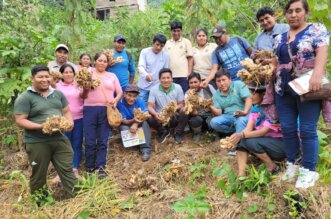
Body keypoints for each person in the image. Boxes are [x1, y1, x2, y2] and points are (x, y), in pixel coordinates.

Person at [273, 0, 329, 189]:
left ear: (306, 12)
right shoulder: (279, 37)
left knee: (307, 129)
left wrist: (317, 75)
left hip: (307, 86)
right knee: (288, 128)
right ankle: (293, 164)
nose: (293, 14)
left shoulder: (316, 29)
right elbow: (276, 61)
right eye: (289, 11)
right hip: (283, 88)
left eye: (298, 10)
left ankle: (308, 170)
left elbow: (322, 51)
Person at [14, 65, 77, 200]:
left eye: (47, 76)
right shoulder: (25, 97)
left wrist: (70, 122)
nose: (44, 80)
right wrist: (41, 126)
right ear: (32, 78)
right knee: (39, 174)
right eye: (40, 77)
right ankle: (41, 202)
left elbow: (66, 111)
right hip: (37, 142)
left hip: (59, 139)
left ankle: (74, 198)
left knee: (67, 169)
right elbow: (20, 120)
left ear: (51, 77)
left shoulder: (58, 94)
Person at [229, 84, 285, 176]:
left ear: (263, 94)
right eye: (250, 93)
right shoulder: (255, 109)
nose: (250, 96)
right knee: (242, 141)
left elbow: (263, 131)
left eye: (253, 94)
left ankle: (272, 167)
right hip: (266, 143)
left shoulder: (272, 109)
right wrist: (235, 137)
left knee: (249, 142)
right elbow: (248, 130)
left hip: (280, 145)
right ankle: (241, 175)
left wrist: (242, 135)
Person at [83, 52, 122, 179]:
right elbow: (81, 92)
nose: (102, 63)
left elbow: (120, 92)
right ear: (95, 61)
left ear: (108, 63)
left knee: (102, 139)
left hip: (106, 110)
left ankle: (100, 166)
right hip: (89, 109)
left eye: (105, 61)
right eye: (100, 60)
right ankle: (89, 166)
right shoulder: (88, 73)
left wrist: (115, 101)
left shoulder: (112, 75)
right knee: (89, 139)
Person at [57, 64, 88, 178]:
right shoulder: (56, 86)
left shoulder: (78, 84)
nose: (69, 74)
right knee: (64, 144)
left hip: (79, 118)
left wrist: (86, 87)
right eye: (66, 72)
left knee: (77, 144)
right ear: (61, 74)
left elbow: (84, 95)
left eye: (71, 72)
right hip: (63, 121)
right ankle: (63, 169)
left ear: (74, 74)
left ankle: (74, 168)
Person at [148, 68, 188, 144]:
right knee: (149, 116)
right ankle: (163, 131)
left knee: (184, 110)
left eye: (168, 78)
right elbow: (150, 106)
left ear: (172, 79)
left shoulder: (178, 87)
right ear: (159, 79)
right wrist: (155, 114)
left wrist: (174, 108)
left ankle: (178, 132)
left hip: (174, 116)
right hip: (160, 118)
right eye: (163, 78)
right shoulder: (153, 89)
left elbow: (182, 103)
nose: (166, 80)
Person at [209, 70, 252, 137]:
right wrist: (209, 106)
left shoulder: (239, 84)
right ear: (216, 82)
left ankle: (238, 141)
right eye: (218, 81)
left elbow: (248, 99)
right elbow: (219, 113)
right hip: (229, 116)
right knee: (213, 122)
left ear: (230, 79)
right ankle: (234, 132)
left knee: (240, 120)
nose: (222, 83)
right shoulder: (216, 94)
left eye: (223, 80)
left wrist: (245, 112)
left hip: (244, 114)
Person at [117, 84, 152, 161]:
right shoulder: (120, 104)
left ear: (137, 96)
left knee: (145, 124)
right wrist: (133, 121)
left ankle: (145, 149)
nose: (132, 98)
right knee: (123, 128)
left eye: (134, 96)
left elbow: (145, 114)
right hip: (127, 123)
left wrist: (136, 123)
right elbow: (123, 120)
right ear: (124, 94)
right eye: (129, 95)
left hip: (139, 122)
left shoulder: (140, 101)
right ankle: (135, 145)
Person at [137, 34, 169, 104]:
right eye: (157, 44)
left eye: (161, 46)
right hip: (143, 86)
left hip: (157, 87)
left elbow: (165, 71)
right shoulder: (145, 52)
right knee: (141, 107)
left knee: (154, 108)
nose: (159, 47)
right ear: (153, 43)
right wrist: (146, 75)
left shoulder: (165, 56)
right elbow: (140, 66)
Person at [163, 21, 193, 93]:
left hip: (183, 76)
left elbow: (190, 58)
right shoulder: (167, 43)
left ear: (181, 31)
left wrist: (189, 73)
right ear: (171, 31)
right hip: (170, 77)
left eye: (178, 31)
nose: (176, 33)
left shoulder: (186, 42)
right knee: (172, 96)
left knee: (184, 95)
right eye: (174, 31)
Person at [186, 72, 215, 142]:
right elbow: (190, 111)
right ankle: (197, 133)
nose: (193, 85)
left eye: (195, 82)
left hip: (210, 114)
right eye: (191, 83)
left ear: (200, 81)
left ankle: (212, 132)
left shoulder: (208, 87)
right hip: (198, 116)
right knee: (195, 120)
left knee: (213, 120)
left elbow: (217, 99)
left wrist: (207, 104)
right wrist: (194, 110)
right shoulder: (187, 94)